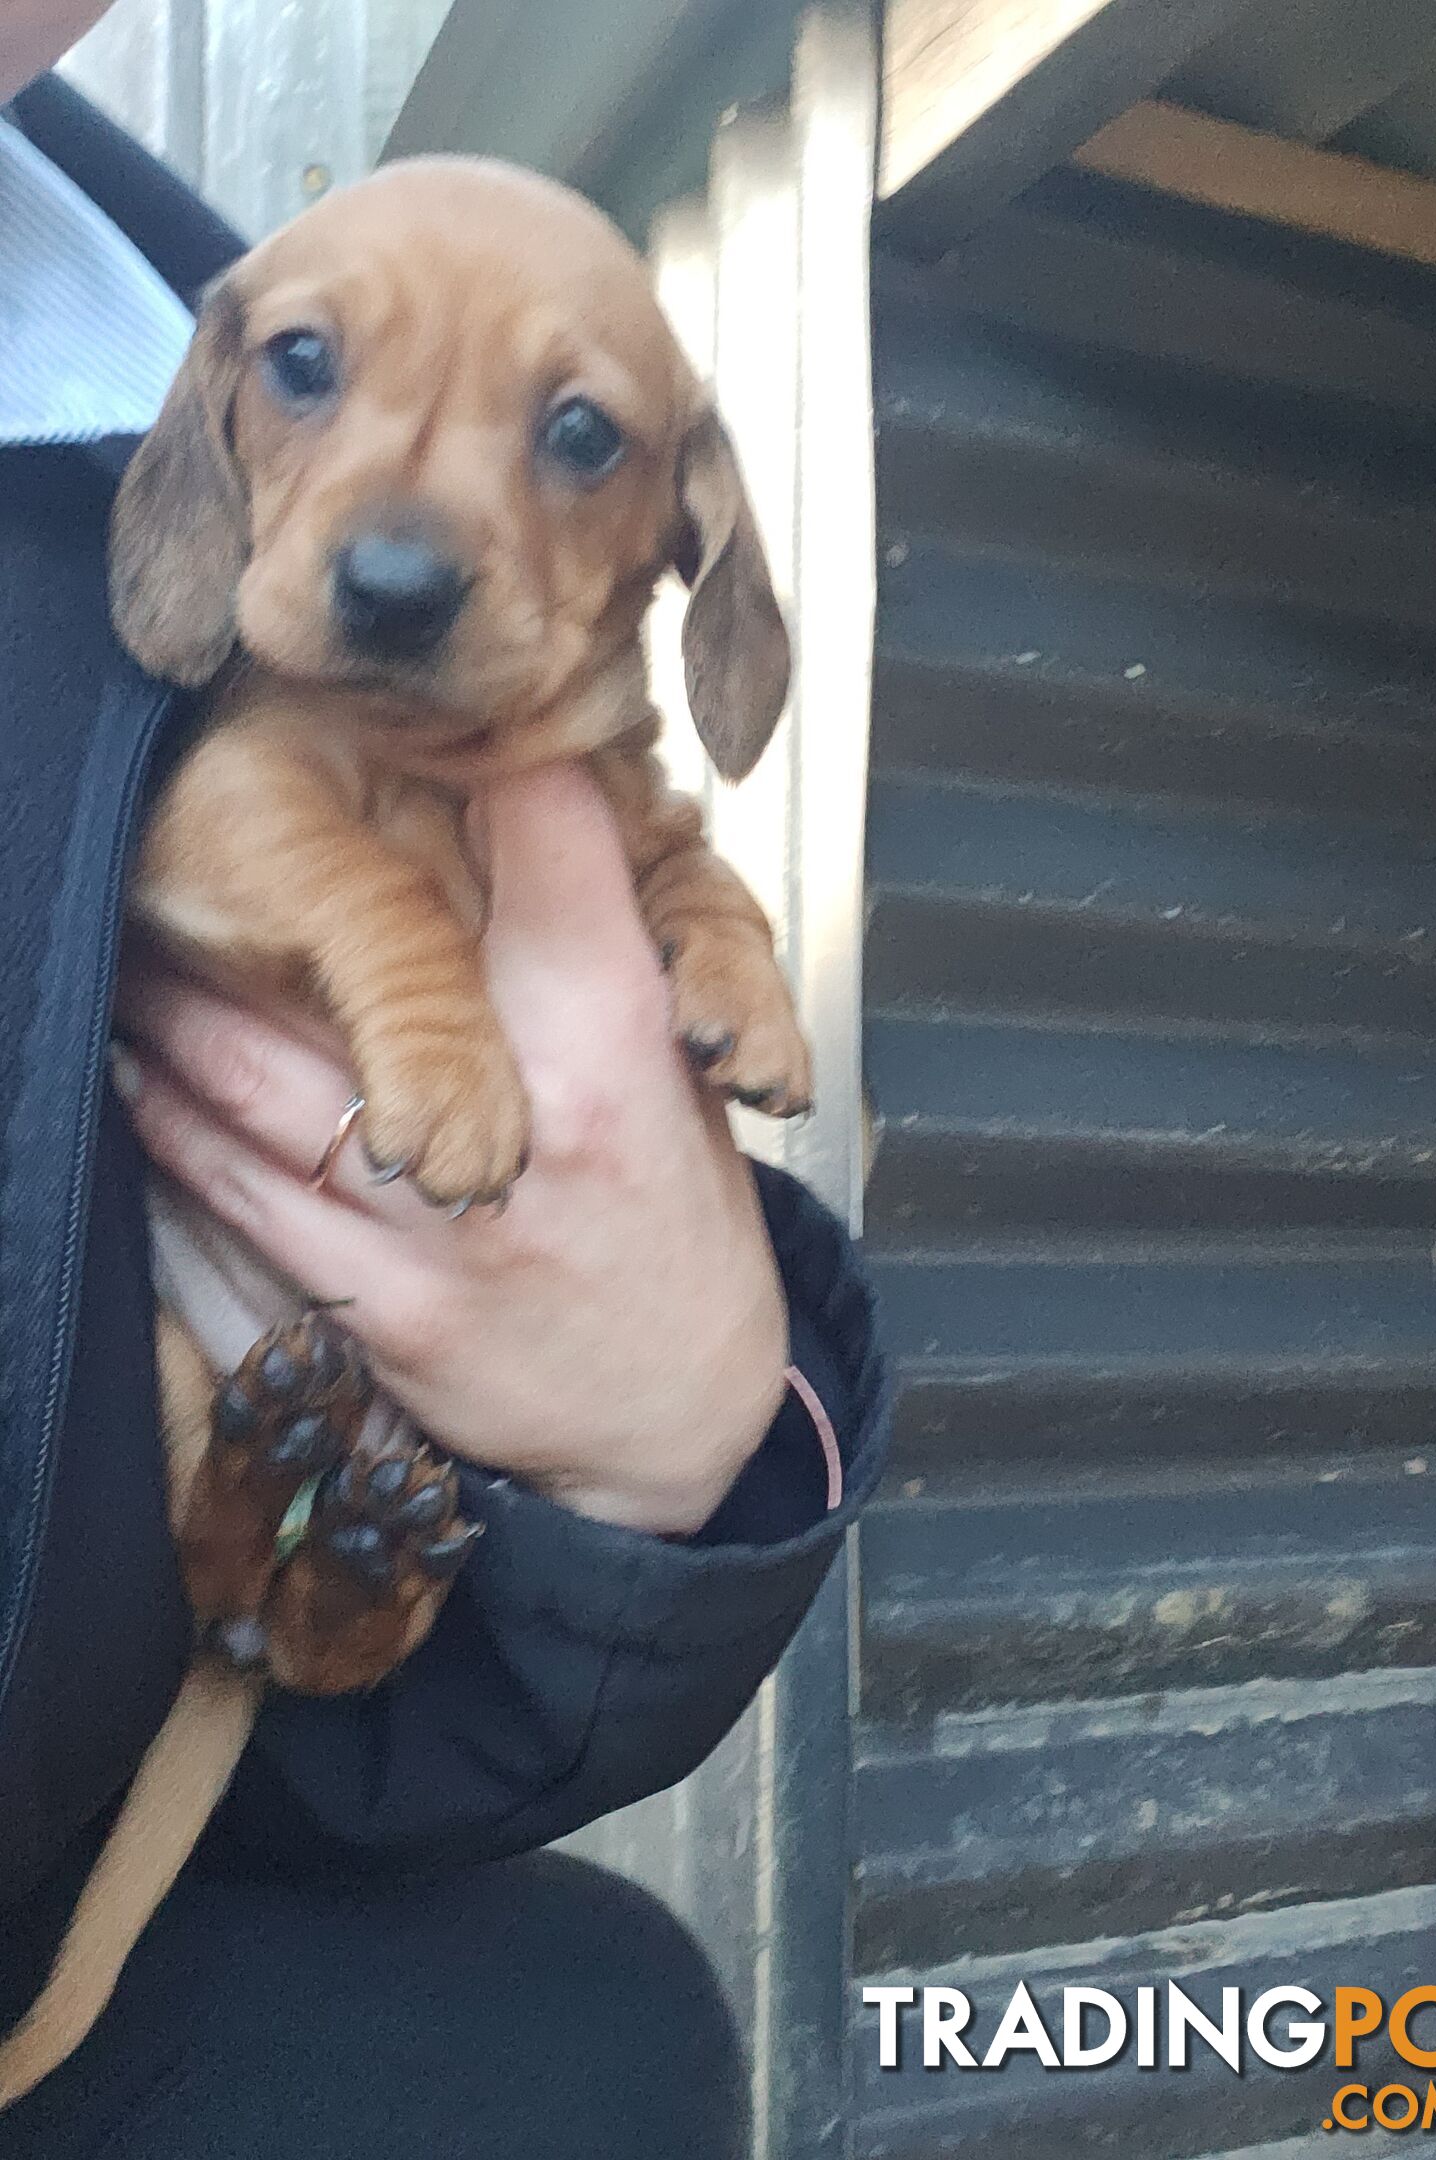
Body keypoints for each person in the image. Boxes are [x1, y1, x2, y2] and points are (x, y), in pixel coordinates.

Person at [0, 11, 887, 2157]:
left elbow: (652, 856)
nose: (411, 539)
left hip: (239, 1697)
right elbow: (204, 849)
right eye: (315, 373)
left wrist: (692, 1422)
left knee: (599, 2033)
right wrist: (408, 974)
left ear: (687, 541)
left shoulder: (174, 288)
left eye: (576, 438)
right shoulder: (230, 593)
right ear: (229, 410)